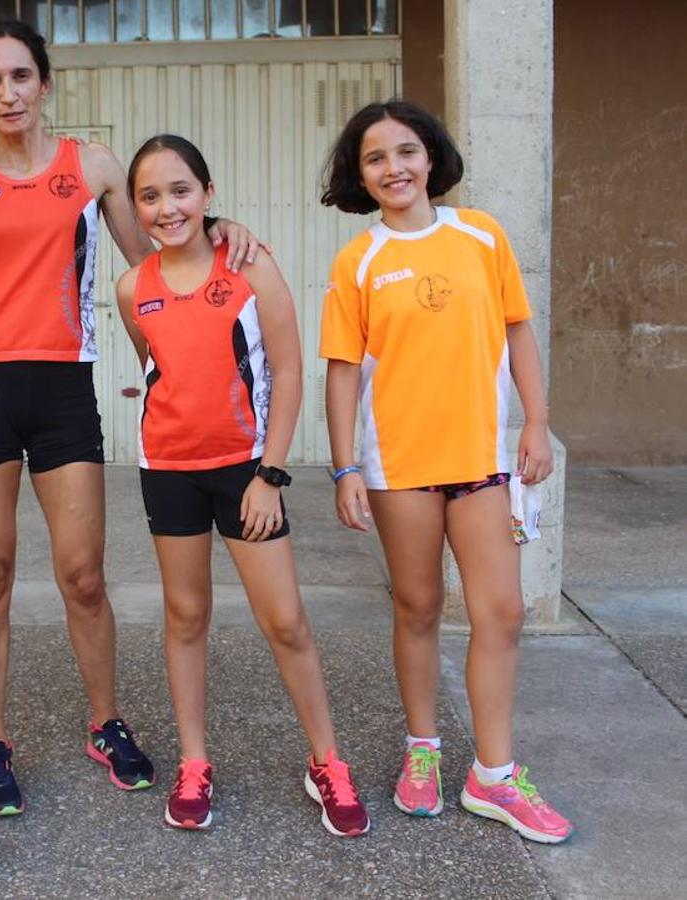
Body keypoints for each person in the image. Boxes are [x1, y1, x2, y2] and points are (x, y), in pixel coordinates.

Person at [0, 20, 262, 817]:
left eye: (20, 76)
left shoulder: (94, 167)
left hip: (63, 388)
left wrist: (222, 229)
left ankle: (106, 723)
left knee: (81, 574)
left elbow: (164, 255)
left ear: (44, 83)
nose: (7, 92)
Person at [319, 100, 572, 843]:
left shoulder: (479, 235)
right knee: (418, 608)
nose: (392, 168)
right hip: (398, 467)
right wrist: (344, 467)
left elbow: (516, 330)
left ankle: (492, 776)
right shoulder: (357, 260)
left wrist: (534, 419)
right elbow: (340, 374)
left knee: (501, 612)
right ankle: (422, 750)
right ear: (358, 176)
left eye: (405, 151)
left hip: (483, 462)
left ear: (430, 157)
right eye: (374, 158)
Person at [115, 134, 370, 836]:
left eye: (179, 191)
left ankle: (327, 762)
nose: (165, 207)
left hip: (244, 472)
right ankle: (194, 762)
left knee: (284, 621)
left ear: (206, 194)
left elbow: (288, 371)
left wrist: (270, 475)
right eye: (149, 196)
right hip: (166, 471)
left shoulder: (251, 267)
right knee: (185, 617)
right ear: (135, 209)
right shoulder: (132, 286)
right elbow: (158, 364)